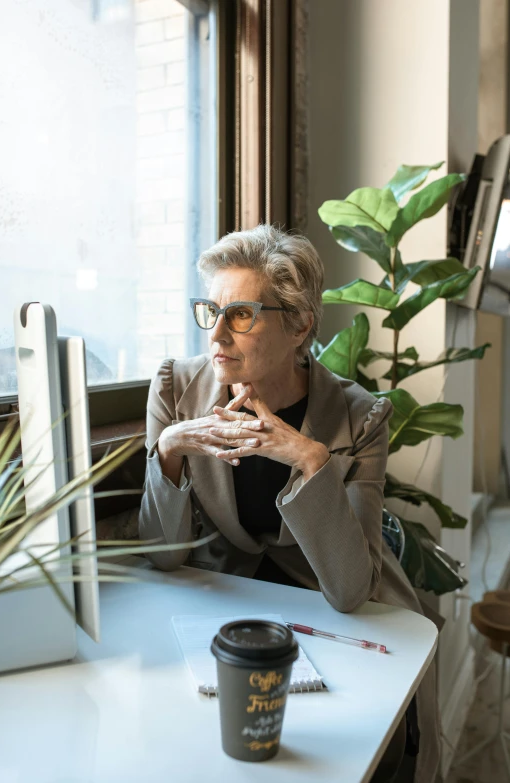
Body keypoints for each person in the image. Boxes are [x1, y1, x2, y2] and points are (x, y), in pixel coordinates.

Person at [139, 224, 440, 783]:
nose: (217, 335)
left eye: (242, 314)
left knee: (348, 752)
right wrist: (170, 448)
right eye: (211, 310)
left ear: (300, 325)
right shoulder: (174, 391)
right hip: (229, 608)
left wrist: (311, 462)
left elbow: (351, 590)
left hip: (334, 612)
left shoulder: (360, 417)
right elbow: (162, 557)